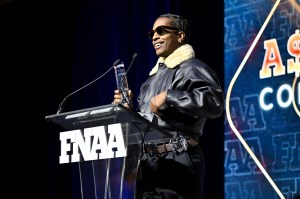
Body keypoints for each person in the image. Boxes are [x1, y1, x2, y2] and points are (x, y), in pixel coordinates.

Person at [113, 13, 224, 199]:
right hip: (148, 166)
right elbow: (147, 123)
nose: (154, 36)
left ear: (180, 36)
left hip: (178, 160)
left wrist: (170, 96)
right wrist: (127, 111)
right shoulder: (149, 82)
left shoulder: (192, 68)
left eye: (161, 31)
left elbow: (214, 102)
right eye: (152, 33)